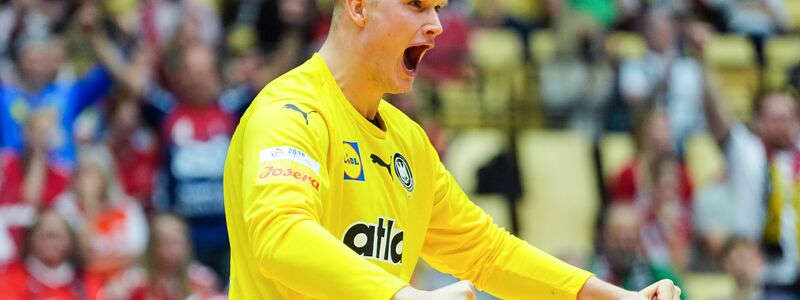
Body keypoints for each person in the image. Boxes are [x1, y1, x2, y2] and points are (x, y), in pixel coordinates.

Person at [222, 0, 682, 299]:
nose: (437, 25)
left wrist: (614, 297)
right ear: (359, 6)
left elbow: (486, 252)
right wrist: (403, 298)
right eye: (417, 5)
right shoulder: (290, 111)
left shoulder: (410, 142)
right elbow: (279, 238)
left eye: (438, 8)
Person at [703, 68, 800, 296]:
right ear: (757, 120)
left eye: (788, 116)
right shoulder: (746, 151)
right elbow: (716, 116)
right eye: (774, 117)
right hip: (762, 279)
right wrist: (701, 61)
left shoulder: (796, 155)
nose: (782, 123)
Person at [0, 210, 87, 300]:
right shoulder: (10, 277)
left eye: (57, 236)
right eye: (44, 236)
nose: (50, 242)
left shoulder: (84, 281)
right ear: (30, 239)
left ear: (71, 241)